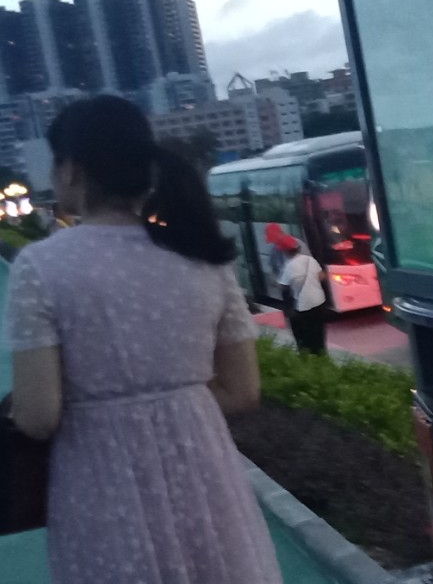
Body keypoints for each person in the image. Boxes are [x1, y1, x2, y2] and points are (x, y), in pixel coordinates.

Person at [0, 95, 282, 584]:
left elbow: (39, 416)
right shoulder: (201, 255)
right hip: (204, 470)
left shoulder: (41, 268)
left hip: (100, 481)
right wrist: (169, 404)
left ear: (73, 169)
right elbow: (243, 392)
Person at [272, 232, 327, 356]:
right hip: (319, 303)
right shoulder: (310, 260)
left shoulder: (289, 267)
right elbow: (322, 276)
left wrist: (275, 282)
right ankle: (322, 358)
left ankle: (308, 360)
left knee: (305, 340)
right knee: (319, 337)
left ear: (286, 252)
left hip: (304, 307)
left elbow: (283, 286)